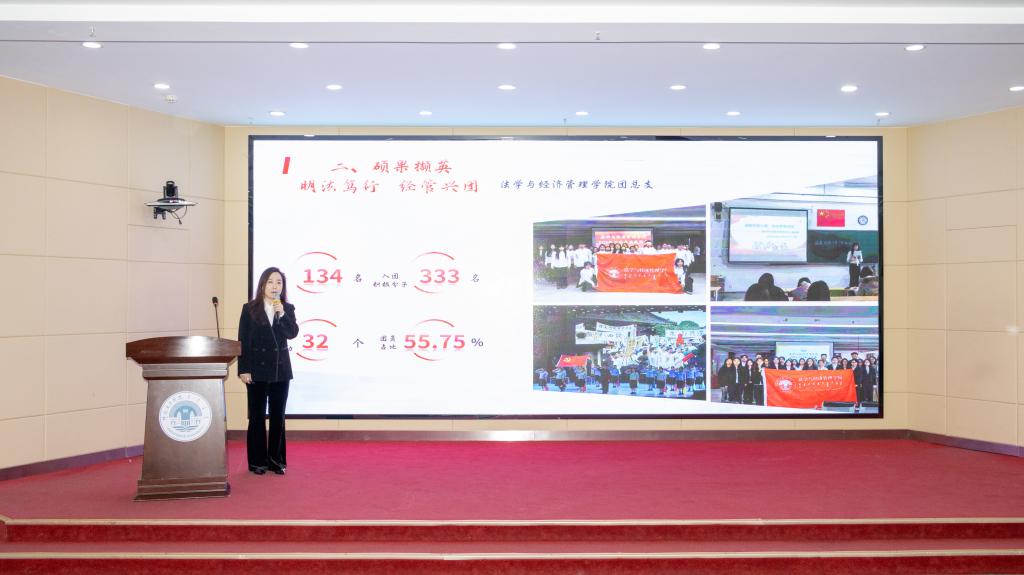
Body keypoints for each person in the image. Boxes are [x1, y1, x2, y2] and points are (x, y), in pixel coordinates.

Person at [238, 267, 299, 476]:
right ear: (263, 284)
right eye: (271, 282)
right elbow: (243, 341)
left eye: (279, 282)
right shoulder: (250, 308)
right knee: (256, 416)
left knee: (277, 417)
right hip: (256, 370)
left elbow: (292, 333)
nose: (275, 286)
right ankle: (257, 462)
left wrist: (282, 313)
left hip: (281, 370)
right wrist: (244, 369)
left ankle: (276, 461)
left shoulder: (287, 308)